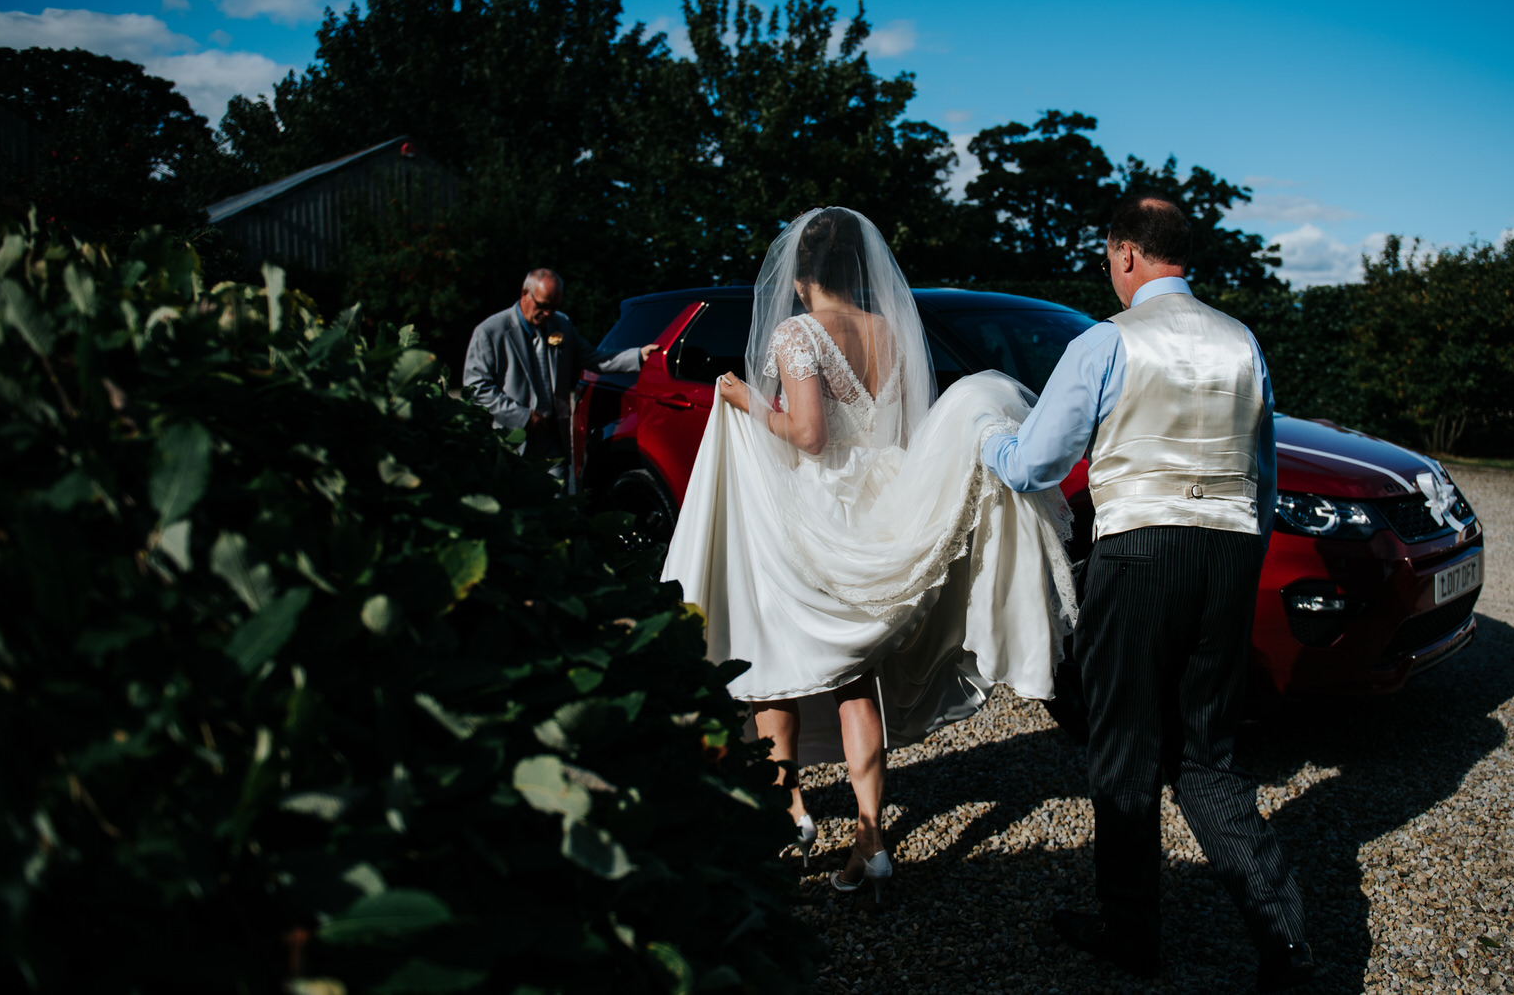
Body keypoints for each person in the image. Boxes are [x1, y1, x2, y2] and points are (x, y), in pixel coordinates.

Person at [662, 207, 1078, 900]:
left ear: (800, 280)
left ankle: (791, 810)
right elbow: (907, 427)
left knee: (778, 661)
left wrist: (739, 399)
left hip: (817, 512)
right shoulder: (890, 328)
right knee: (856, 678)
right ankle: (872, 838)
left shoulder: (800, 335)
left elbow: (809, 435)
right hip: (882, 507)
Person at [983, 195, 1314, 992]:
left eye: (1108, 257)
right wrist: (1239, 552)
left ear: (1126, 253)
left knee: (1125, 748)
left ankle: (1130, 931)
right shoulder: (1243, 342)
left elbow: (1032, 463)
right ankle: (1287, 942)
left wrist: (986, 436)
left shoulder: (1107, 341)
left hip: (1140, 555)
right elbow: (1263, 473)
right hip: (1231, 555)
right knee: (1209, 757)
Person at [462, 268, 658, 479]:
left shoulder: (561, 324)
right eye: (543, 306)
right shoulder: (490, 331)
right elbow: (476, 388)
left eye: (554, 308)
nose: (548, 314)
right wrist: (523, 417)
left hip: (553, 440)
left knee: (558, 502)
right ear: (524, 293)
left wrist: (638, 356)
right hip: (511, 442)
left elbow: (594, 358)